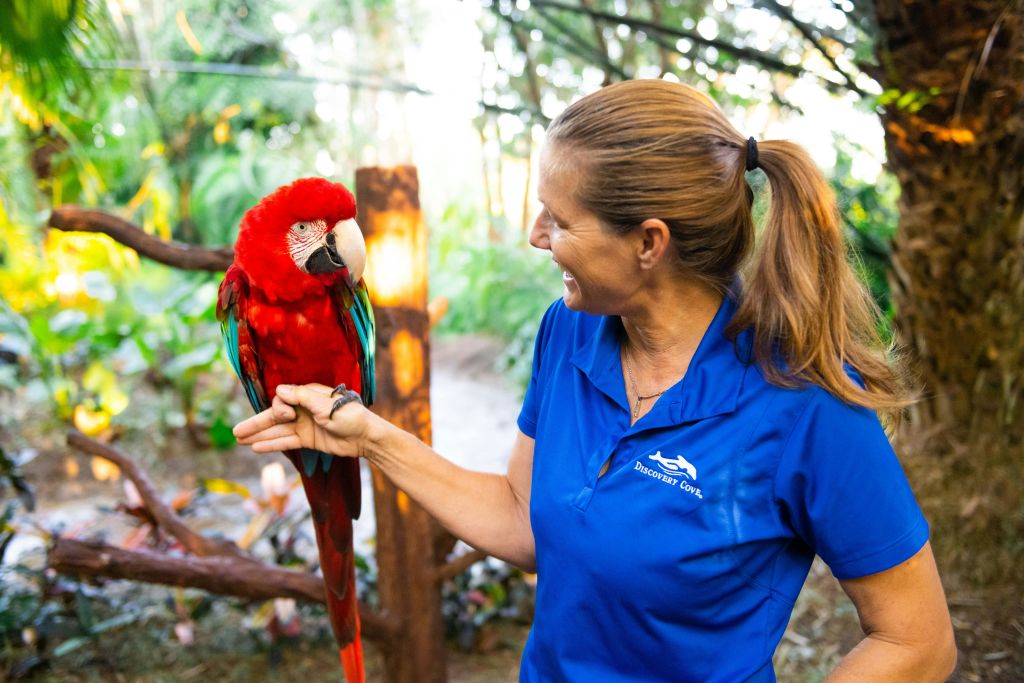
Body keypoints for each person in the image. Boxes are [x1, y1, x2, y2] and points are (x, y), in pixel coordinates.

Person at [233, 79, 957, 682]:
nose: (536, 236)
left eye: (559, 218)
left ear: (648, 242)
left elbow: (918, 640)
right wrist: (369, 438)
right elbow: (524, 519)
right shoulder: (569, 330)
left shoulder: (806, 401)